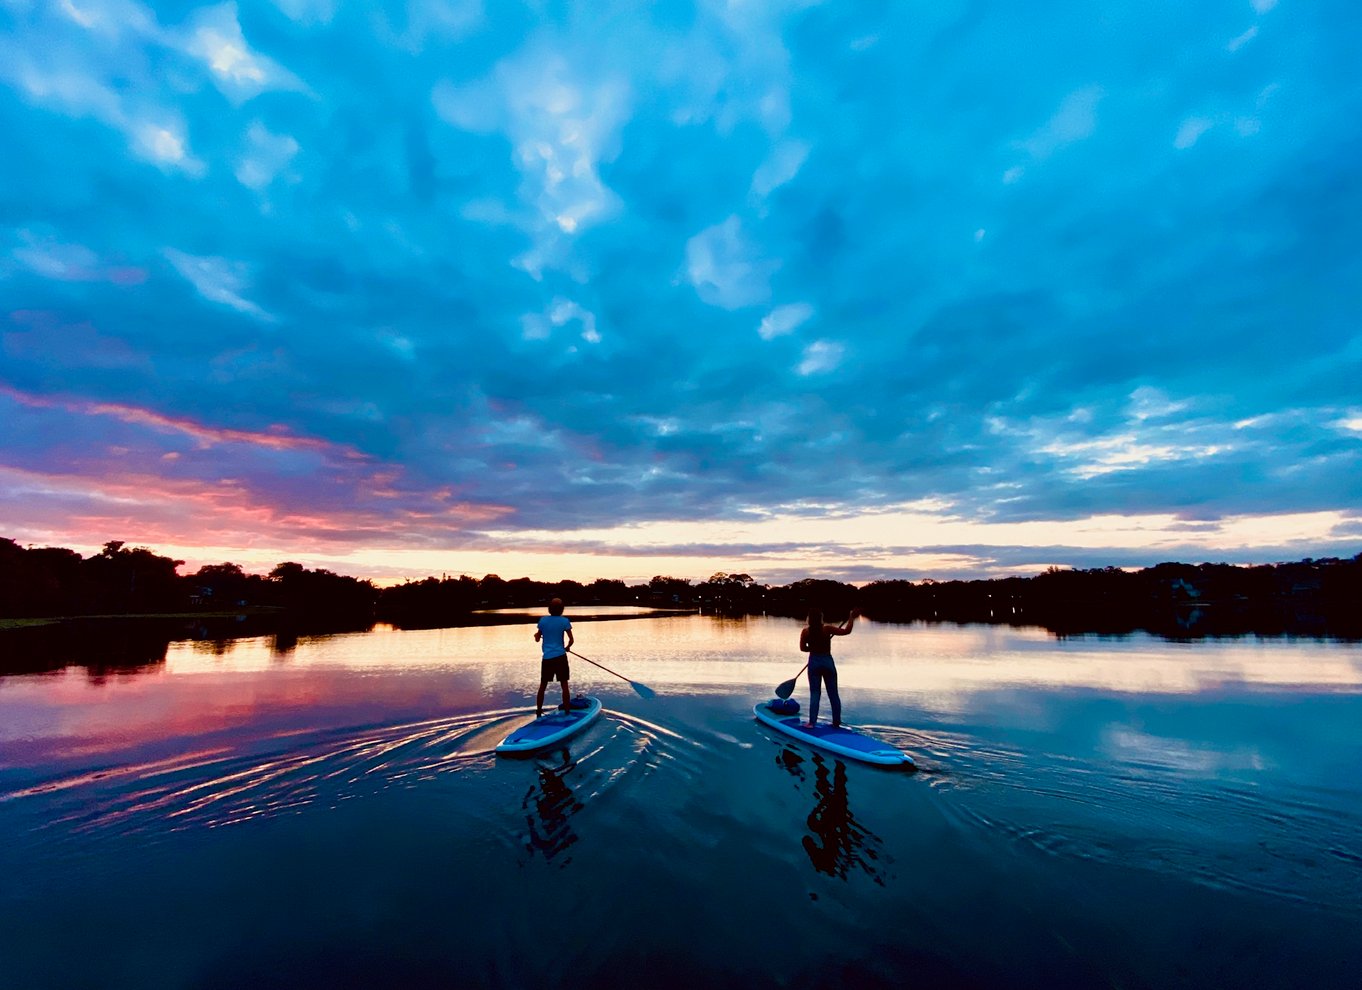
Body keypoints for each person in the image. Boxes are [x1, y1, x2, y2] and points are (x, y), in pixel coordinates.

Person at [799, 606, 858, 728]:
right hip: (827, 662)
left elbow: (803, 648)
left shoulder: (805, 632)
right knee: (833, 694)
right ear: (821, 618)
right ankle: (836, 722)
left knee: (815, 693)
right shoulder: (827, 629)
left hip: (814, 662)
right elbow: (847, 631)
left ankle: (811, 723)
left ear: (809, 619)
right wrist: (851, 617)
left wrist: (813, 648)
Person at [533, 598, 574, 717]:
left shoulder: (543, 621)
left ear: (549, 609)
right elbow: (571, 640)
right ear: (561, 609)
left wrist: (536, 636)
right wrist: (567, 647)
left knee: (543, 685)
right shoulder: (564, 621)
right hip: (561, 656)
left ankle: (539, 711)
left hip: (547, 658)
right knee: (564, 684)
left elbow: (537, 638)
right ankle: (567, 712)